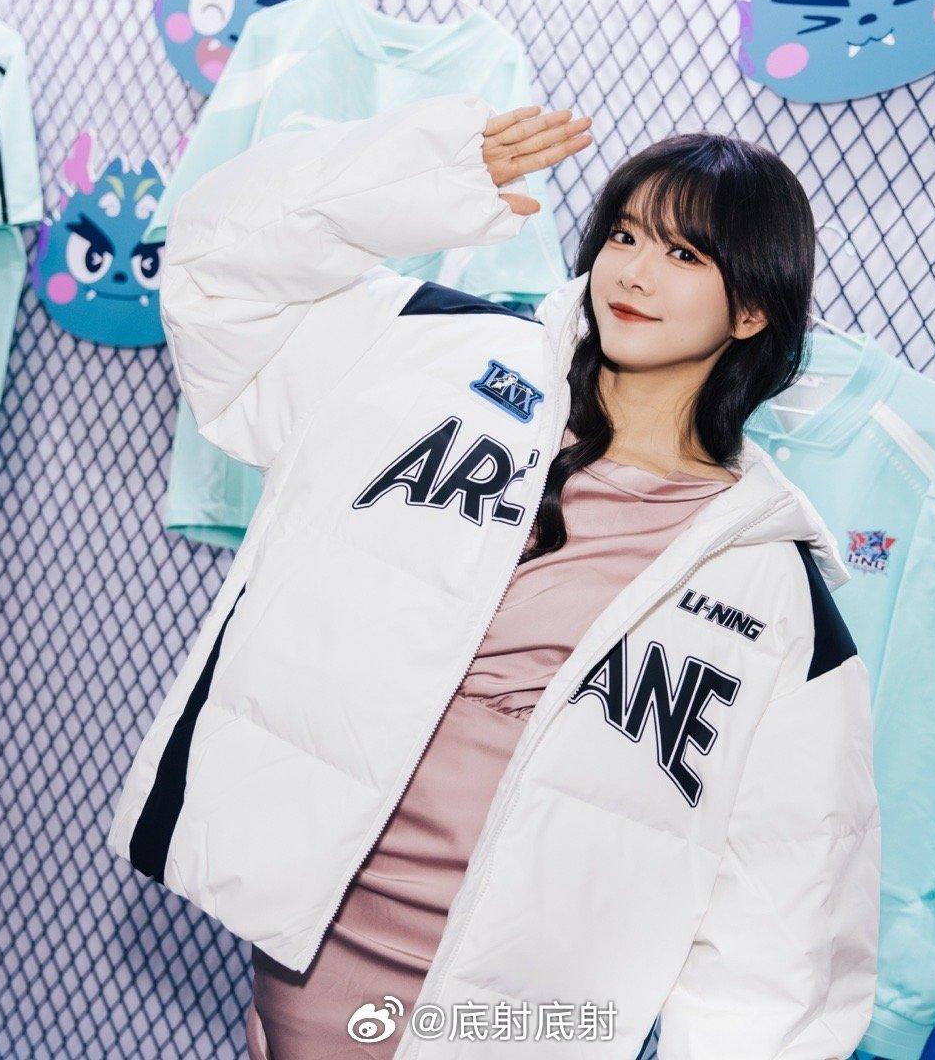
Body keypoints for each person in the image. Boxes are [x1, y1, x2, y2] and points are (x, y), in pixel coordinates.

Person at [106, 92, 880, 1058]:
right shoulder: (426, 356)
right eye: (625, 236)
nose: (635, 273)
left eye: (685, 255)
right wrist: (419, 172)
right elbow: (214, 272)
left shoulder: (769, 585)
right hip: (310, 959)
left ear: (753, 307)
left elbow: (787, 911)